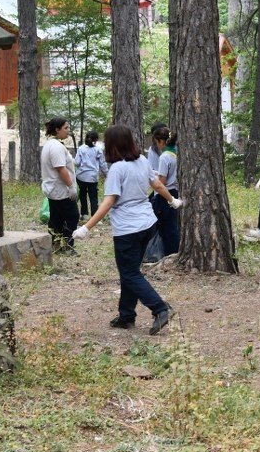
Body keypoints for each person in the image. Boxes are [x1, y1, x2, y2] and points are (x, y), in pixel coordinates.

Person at [73, 124, 182, 335]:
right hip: (147, 225)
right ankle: (126, 315)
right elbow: (158, 186)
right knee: (130, 271)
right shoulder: (141, 160)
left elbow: (108, 202)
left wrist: (86, 227)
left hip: (128, 229)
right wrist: (172, 201)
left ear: (113, 145)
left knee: (130, 273)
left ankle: (160, 308)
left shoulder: (117, 169)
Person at [41, 117, 79, 254]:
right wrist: (71, 187)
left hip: (54, 189)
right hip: (61, 190)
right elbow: (61, 168)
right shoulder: (56, 147)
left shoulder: (51, 144)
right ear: (57, 130)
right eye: (66, 128)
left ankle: (56, 245)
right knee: (72, 216)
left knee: (56, 218)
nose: (68, 131)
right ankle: (67, 246)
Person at [149, 126, 181, 259]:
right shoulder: (176, 153)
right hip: (174, 191)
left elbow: (162, 181)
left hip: (165, 194)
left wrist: (153, 178)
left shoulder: (164, 157)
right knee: (171, 224)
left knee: (166, 227)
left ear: (161, 141)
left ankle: (168, 254)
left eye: (156, 142)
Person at [74, 130, 107, 219]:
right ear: (96, 140)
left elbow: (76, 162)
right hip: (92, 177)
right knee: (93, 198)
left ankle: (84, 214)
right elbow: (102, 164)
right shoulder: (98, 150)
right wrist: (107, 174)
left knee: (82, 195)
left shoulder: (81, 149)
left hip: (80, 176)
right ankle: (95, 217)